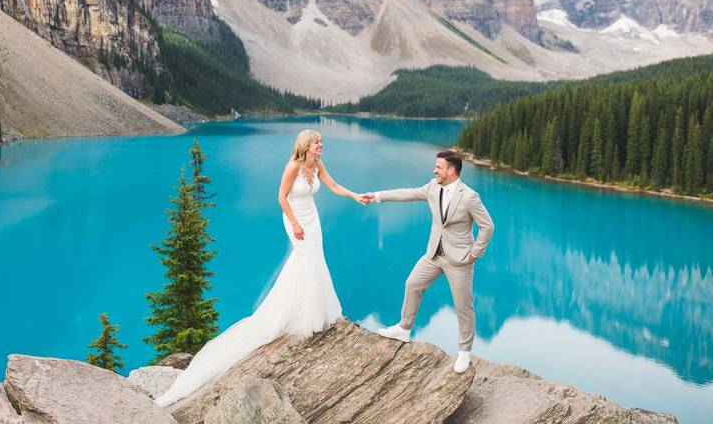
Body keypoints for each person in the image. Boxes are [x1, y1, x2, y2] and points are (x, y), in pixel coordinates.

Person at [155, 129, 366, 406]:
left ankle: (314, 310)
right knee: (304, 259)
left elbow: (333, 185)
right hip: (296, 219)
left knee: (315, 260)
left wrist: (354, 195)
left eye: (321, 142)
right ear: (306, 144)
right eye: (317, 142)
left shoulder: (317, 164)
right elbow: (281, 197)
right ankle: (299, 313)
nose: (321, 145)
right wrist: (294, 223)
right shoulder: (293, 165)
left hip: (312, 219)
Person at [361, 150, 494, 373]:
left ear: (451, 171)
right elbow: (408, 193)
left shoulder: (470, 197)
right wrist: (376, 196)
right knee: (412, 284)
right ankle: (404, 328)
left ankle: (464, 352)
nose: (434, 170)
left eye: (438, 167)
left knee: (463, 306)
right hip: (433, 254)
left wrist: (474, 254)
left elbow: (487, 226)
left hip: (459, 260)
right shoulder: (433, 187)